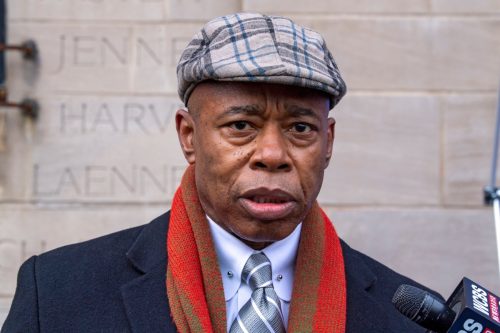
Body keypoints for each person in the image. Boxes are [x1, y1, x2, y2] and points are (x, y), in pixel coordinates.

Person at [2, 12, 439, 332]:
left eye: (300, 128)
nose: (272, 154)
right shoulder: (57, 294)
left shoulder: (407, 315)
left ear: (328, 142)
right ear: (189, 136)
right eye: (240, 126)